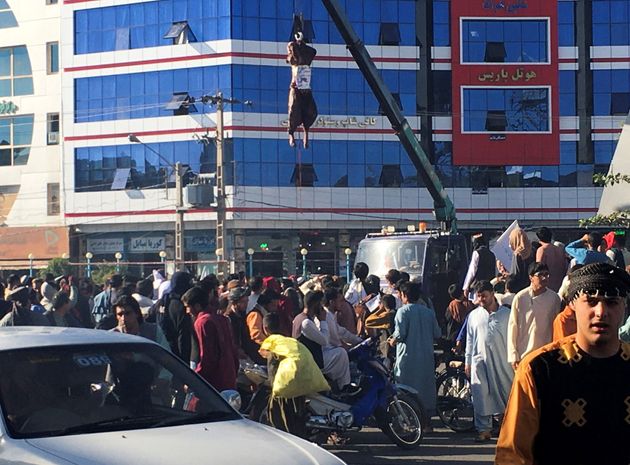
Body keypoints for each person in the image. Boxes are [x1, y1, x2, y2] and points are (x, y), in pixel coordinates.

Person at [496, 263, 630, 464]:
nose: (601, 312)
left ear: (624, 307)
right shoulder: (538, 369)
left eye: (611, 302)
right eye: (591, 301)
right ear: (573, 304)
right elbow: (513, 454)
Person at [465, 280, 513, 442]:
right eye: (479, 297)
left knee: (505, 392)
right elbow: (470, 340)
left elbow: (514, 339)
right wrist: (468, 361)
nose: (482, 300)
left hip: (502, 361)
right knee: (480, 395)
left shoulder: (507, 315)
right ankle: (484, 429)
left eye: (484, 296)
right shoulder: (473, 316)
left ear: (492, 294)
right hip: (479, 362)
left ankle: (507, 427)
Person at [388, 281, 441, 427]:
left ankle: (411, 421)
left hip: (407, 358)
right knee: (425, 388)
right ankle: (428, 422)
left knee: (406, 390)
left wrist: (392, 341)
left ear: (404, 295)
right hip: (426, 357)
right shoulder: (428, 312)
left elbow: (400, 334)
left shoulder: (402, 312)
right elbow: (437, 333)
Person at [181, 286, 238, 392]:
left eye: (188, 307)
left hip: (214, 382)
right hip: (229, 377)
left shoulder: (202, 322)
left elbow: (207, 357)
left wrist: (195, 379)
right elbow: (232, 349)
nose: (187, 311)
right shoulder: (222, 319)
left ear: (197, 306)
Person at [293, 290, 352, 391]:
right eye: (319, 303)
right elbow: (325, 340)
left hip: (308, 356)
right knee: (341, 353)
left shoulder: (299, 317)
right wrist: (323, 321)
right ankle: (345, 386)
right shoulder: (306, 323)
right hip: (312, 361)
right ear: (315, 305)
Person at [507, 262, 562, 371]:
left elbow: (556, 326)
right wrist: (513, 355)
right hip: (524, 353)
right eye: (540, 274)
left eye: (547, 274)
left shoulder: (554, 298)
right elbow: (513, 327)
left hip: (546, 353)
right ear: (531, 277)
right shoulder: (520, 298)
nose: (544, 277)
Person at [225, 286, 264, 364]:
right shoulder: (228, 318)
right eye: (243, 302)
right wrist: (237, 349)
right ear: (234, 303)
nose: (246, 304)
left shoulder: (243, 315)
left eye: (247, 301)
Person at [534, 227, 568, 292]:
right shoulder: (560, 249)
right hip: (560, 283)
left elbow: (538, 268)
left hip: (547, 285)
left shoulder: (542, 250)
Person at [505, 228, 534, 293]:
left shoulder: (518, 253)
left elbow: (515, 274)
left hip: (519, 289)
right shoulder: (532, 251)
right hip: (531, 286)